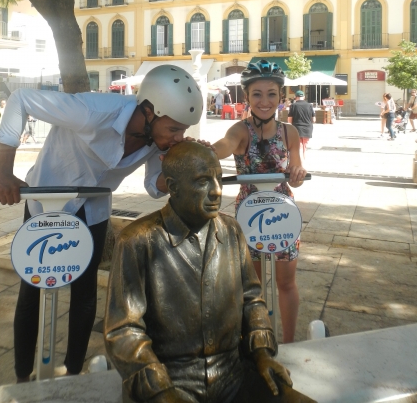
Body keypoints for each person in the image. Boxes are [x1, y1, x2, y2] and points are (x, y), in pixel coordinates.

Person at [0, 64, 204, 382]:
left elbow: (154, 185)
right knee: (33, 287)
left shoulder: (154, 140)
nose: (178, 137)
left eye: (182, 131)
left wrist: (184, 166)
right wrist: (3, 171)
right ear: (149, 111)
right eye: (174, 129)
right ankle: (22, 377)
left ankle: (74, 372)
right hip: (47, 202)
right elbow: (21, 99)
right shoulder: (92, 110)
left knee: (85, 289)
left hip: (94, 209)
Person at [105, 141, 293, 403]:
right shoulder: (137, 241)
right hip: (171, 381)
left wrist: (261, 354)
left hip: (233, 375)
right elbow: (123, 329)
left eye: (218, 178)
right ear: (173, 187)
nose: (217, 191)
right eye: (203, 181)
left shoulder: (231, 231)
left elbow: (252, 299)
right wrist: (161, 390)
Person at [212, 60, 307, 343]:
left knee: (286, 282)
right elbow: (224, 146)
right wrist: (203, 150)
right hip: (249, 217)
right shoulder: (240, 131)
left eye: (271, 94)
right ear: (247, 97)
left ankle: (288, 342)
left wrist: (297, 174)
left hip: (282, 214)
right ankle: (256, 342)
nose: (264, 101)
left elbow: (296, 172)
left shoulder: (289, 132)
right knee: (252, 286)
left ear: (281, 97)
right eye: (257, 94)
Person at [287, 90, 316, 160]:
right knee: (304, 145)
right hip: (308, 128)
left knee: (298, 145)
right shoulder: (310, 105)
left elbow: (289, 120)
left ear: (295, 97)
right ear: (304, 97)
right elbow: (314, 120)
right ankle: (303, 159)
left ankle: (300, 162)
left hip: (297, 127)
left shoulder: (293, 105)